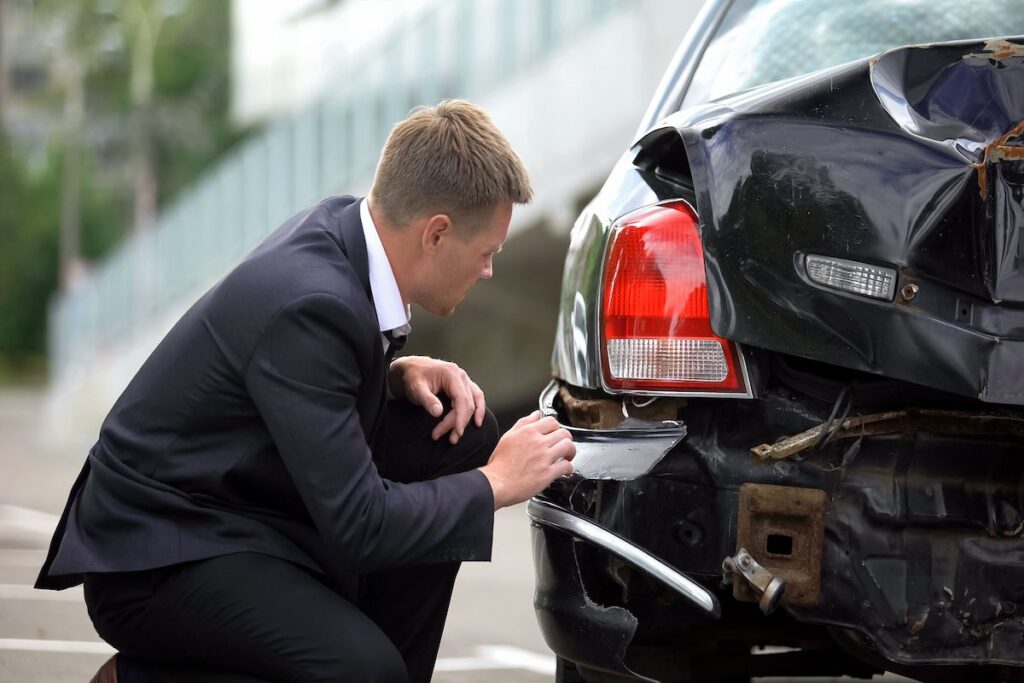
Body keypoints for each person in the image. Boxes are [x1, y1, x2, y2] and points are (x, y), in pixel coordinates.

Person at [35, 100, 576, 682]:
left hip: (238, 510)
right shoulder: (312, 302)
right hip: (159, 554)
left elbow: (290, 378)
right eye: (487, 252)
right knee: (362, 672)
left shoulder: (346, 232)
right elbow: (362, 524)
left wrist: (390, 372)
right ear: (437, 233)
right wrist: (496, 482)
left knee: (456, 432)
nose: (491, 269)